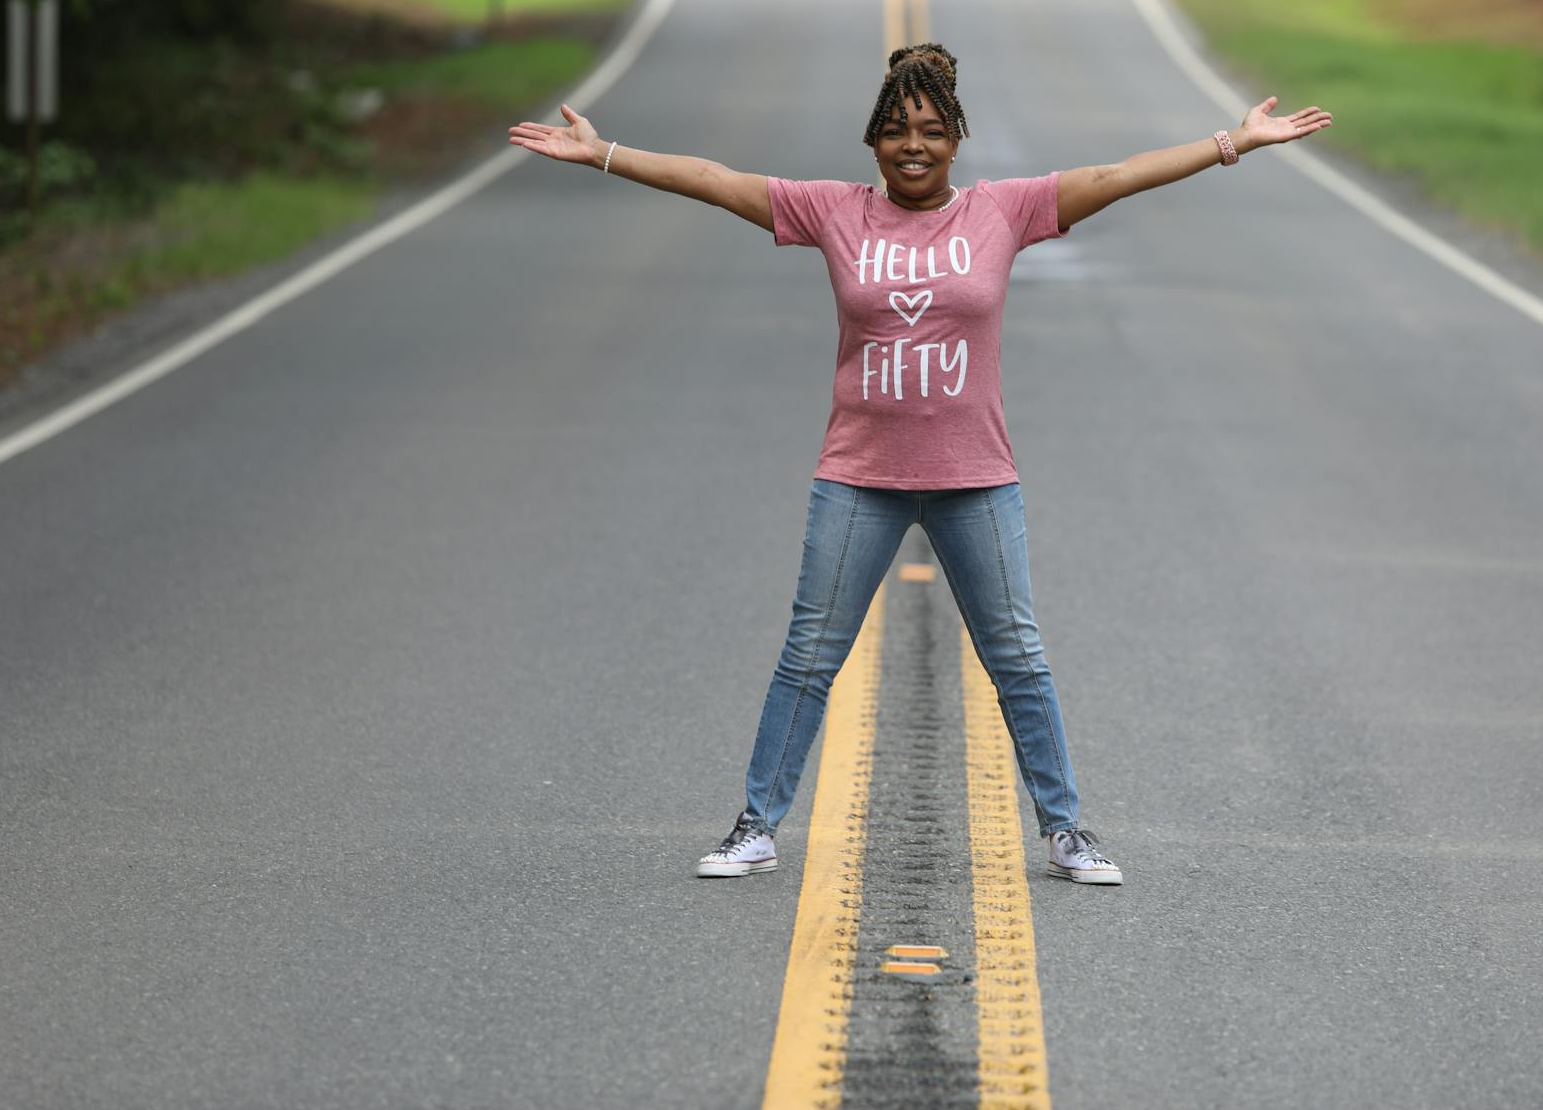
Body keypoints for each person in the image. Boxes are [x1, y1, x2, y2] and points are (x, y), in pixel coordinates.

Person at [508, 43, 1332, 887]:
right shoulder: (833, 211)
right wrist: (603, 154)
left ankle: (1066, 828)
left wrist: (1233, 141)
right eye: (898, 131)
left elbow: (1120, 173)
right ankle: (756, 824)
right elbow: (715, 178)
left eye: (932, 131)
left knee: (1017, 657)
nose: (914, 146)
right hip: (858, 475)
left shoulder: (1003, 212)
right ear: (872, 140)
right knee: (809, 654)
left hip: (976, 476)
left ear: (956, 140)